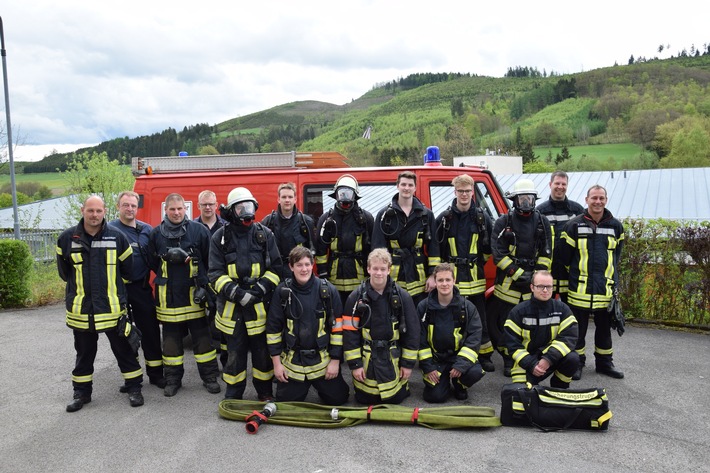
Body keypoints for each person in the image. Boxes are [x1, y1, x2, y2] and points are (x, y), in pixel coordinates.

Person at [57, 195, 144, 412]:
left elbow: (128, 271)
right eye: (90, 211)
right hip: (82, 311)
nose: (94, 215)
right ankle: (81, 393)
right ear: (82, 210)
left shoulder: (118, 237)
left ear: (105, 211)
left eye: (98, 211)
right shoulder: (67, 238)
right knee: (84, 353)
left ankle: (134, 388)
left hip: (112, 310)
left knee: (124, 350)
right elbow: (64, 273)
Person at [209, 187, 282, 400]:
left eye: (249, 207)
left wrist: (259, 289)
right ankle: (234, 392)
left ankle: (264, 391)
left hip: (259, 307)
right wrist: (237, 293)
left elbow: (277, 268)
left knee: (262, 354)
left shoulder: (264, 235)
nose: (246, 213)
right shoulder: (220, 237)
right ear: (232, 211)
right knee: (234, 354)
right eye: (241, 208)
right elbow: (214, 273)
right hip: (232, 309)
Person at [147, 193, 220, 397]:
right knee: (170, 344)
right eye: (172, 209)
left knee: (203, 341)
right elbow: (153, 263)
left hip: (193, 296)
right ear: (166, 210)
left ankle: (210, 378)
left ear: (186, 209)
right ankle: (172, 380)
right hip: (168, 299)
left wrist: (206, 288)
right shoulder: (155, 234)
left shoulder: (199, 231)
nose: (177, 212)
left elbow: (209, 261)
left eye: (180, 208)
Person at [266, 246, 349, 405]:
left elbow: (338, 329)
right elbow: (273, 330)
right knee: (285, 403)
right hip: (293, 363)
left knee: (339, 398)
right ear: (291, 267)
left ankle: (320, 386)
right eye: (299, 265)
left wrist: (335, 361)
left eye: (307, 264)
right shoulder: (282, 292)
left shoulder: (328, 290)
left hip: (322, 362)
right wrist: (277, 365)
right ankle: (300, 387)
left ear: (313, 265)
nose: (304, 269)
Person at [559, 185, 625, 380]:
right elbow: (564, 258)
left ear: (606, 200)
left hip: (605, 290)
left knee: (604, 330)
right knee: (577, 331)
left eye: (601, 198)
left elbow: (616, 257)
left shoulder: (616, 226)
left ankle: (605, 364)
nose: (598, 202)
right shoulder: (573, 226)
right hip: (579, 289)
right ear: (586, 200)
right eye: (594, 198)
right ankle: (577, 364)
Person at [489, 178, 553, 377]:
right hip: (508, 285)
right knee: (507, 323)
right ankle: (509, 359)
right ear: (514, 200)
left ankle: (528, 358)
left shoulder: (543, 222)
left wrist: (535, 278)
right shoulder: (503, 222)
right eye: (522, 199)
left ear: (534, 200)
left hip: (533, 283)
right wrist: (518, 274)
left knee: (530, 322)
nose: (526, 203)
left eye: (529, 199)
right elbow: (497, 252)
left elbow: (547, 252)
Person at [342, 248, 420, 405]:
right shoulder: (355, 298)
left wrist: (407, 364)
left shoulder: (402, 297)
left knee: (395, 399)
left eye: (383, 269)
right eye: (375, 268)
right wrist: (356, 365)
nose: (379, 273)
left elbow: (413, 332)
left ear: (389, 269)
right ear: (368, 268)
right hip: (367, 358)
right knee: (365, 399)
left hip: (392, 357)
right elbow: (349, 334)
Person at [435, 174, 495, 372]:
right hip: (452, 279)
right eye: (460, 191)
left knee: (480, 318)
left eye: (467, 191)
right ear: (455, 191)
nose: (464, 194)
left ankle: (485, 355)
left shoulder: (481, 217)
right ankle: (454, 354)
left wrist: (476, 263)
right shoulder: (444, 218)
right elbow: (437, 248)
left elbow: (489, 247)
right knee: (453, 318)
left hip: (475, 276)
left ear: (472, 192)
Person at [108, 191, 165, 390]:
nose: (130, 209)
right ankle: (131, 378)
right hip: (118, 291)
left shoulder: (147, 230)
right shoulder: (109, 230)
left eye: (133, 205)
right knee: (124, 335)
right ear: (118, 206)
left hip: (140, 288)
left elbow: (155, 258)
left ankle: (156, 375)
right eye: (126, 205)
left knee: (150, 331)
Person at [417, 263, 485, 403]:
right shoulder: (424, 307)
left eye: (448, 280)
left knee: (475, 372)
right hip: (436, 360)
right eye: (440, 280)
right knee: (434, 397)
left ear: (454, 281)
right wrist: (429, 367)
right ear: (435, 282)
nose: (444, 284)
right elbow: (420, 339)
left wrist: (461, 365)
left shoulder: (467, 307)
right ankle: (443, 384)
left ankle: (459, 385)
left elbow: (474, 337)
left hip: (457, 357)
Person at [371, 170, 440, 306]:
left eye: (410, 185)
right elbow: (377, 250)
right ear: (397, 186)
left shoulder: (426, 215)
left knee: (418, 319)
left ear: (415, 187)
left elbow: (434, 248)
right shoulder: (384, 215)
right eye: (403, 184)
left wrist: (433, 276)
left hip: (419, 278)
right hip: (393, 278)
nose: (406, 188)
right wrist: (380, 278)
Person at [502, 270, 580, 388]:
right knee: (523, 395)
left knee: (572, 358)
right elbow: (512, 345)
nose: (545, 290)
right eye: (540, 286)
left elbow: (569, 337)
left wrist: (548, 359)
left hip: (551, 358)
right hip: (526, 363)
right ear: (532, 287)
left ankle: (559, 387)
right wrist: (531, 364)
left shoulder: (562, 309)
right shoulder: (518, 312)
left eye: (549, 287)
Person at [315, 174, 374, 305]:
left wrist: (372, 274)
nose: (345, 198)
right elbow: (320, 250)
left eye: (348, 193)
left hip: (360, 279)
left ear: (355, 195)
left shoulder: (366, 219)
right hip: (333, 280)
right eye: (342, 193)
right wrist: (323, 273)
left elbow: (373, 248)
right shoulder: (326, 219)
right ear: (336, 195)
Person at [536, 171, 584, 302]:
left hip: (570, 272)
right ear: (550, 184)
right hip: (547, 270)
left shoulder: (577, 210)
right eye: (557, 183)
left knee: (570, 312)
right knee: (545, 309)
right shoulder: (540, 211)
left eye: (564, 184)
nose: (560, 187)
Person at [194, 189, 228, 368]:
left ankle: (226, 365)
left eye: (211, 204)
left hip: (221, 285)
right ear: (198, 205)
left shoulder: (226, 227)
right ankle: (209, 370)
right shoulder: (191, 228)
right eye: (204, 204)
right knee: (201, 330)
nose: (208, 207)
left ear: (216, 205)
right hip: (199, 285)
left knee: (222, 329)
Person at [262, 182, 316, 280]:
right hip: (275, 274)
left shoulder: (306, 222)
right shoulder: (268, 222)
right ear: (278, 199)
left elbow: (311, 251)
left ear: (295, 199)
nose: (287, 200)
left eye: (290, 197)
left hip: (298, 273)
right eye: (284, 197)